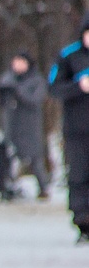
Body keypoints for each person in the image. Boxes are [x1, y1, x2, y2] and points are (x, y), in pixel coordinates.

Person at [48, 13, 89, 243]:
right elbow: (54, 87)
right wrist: (78, 86)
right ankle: (82, 220)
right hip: (77, 128)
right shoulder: (69, 56)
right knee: (79, 175)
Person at [0, 51, 50, 200]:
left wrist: (18, 91)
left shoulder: (36, 80)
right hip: (11, 124)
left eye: (21, 62)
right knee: (7, 157)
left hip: (30, 126)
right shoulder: (7, 79)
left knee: (35, 159)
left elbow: (35, 99)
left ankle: (43, 187)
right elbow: (1, 99)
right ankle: (7, 186)